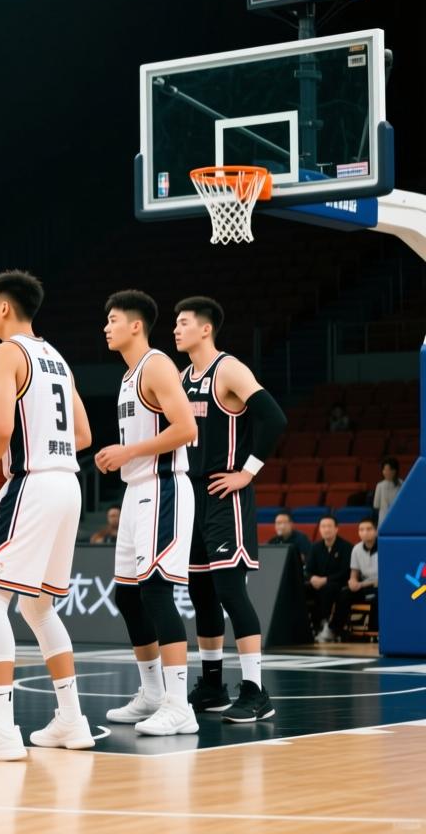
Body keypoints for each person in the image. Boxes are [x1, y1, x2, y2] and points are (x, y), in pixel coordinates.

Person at [0, 270, 95, 760]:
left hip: (32, 484)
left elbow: (1, 425)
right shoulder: (58, 359)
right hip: (68, 484)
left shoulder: (3, 353)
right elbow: (84, 435)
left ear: (6, 307)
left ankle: (1, 729)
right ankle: (72, 720)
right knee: (38, 607)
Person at [175, 296, 287, 723]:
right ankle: (212, 686)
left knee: (229, 591)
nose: (176, 329)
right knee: (201, 593)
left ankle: (257, 691)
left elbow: (274, 418)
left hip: (226, 493)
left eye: (183, 323)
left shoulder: (229, 369)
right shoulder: (182, 377)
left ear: (206, 329)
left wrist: (247, 473)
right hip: (192, 494)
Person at [96, 291, 199, 736]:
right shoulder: (127, 377)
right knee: (128, 596)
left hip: (164, 486)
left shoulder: (156, 365)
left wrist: (128, 451)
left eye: (113, 319)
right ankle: (153, 695)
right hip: (137, 490)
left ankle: (179, 705)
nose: (106, 327)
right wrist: (125, 457)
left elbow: (186, 428)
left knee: (156, 593)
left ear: (136, 325)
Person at [308, 514, 354, 642]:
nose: (326, 529)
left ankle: (327, 626)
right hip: (317, 583)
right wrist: (311, 578)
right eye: (323, 526)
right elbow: (308, 569)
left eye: (329, 526)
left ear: (336, 529)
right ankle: (304, 627)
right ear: (319, 529)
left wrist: (325, 580)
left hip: (337, 583)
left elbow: (345, 571)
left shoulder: (346, 547)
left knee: (328, 589)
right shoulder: (315, 547)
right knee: (301, 589)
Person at [333, 516, 379, 638]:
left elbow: (385, 577)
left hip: (379, 586)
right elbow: (354, 573)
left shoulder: (384, 547)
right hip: (363, 586)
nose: (365, 532)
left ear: (376, 531)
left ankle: (374, 631)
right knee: (344, 593)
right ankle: (337, 630)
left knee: (379, 595)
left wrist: (361, 584)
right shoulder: (356, 549)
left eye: (369, 529)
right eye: (361, 529)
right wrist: (352, 582)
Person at [373, 457, 402, 527]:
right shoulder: (380, 485)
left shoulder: (402, 484)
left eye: (389, 470)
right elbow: (376, 505)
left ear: (395, 471)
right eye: (384, 470)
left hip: (398, 518)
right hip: (383, 519)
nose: (386, 472)